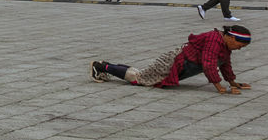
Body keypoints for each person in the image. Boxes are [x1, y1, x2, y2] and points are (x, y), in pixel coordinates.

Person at [91, 24, 252, 92]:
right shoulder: (214, 40)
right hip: (172, 62)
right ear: (231, 38)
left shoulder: (223, 45)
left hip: (181, 64)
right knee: (139, 78)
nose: (239, 48)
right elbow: (209, 64)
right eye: (240, 45)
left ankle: (105, 65)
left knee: (141, 75)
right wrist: (220, 88)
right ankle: (101, 66)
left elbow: (225, 65)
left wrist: (232, 82)